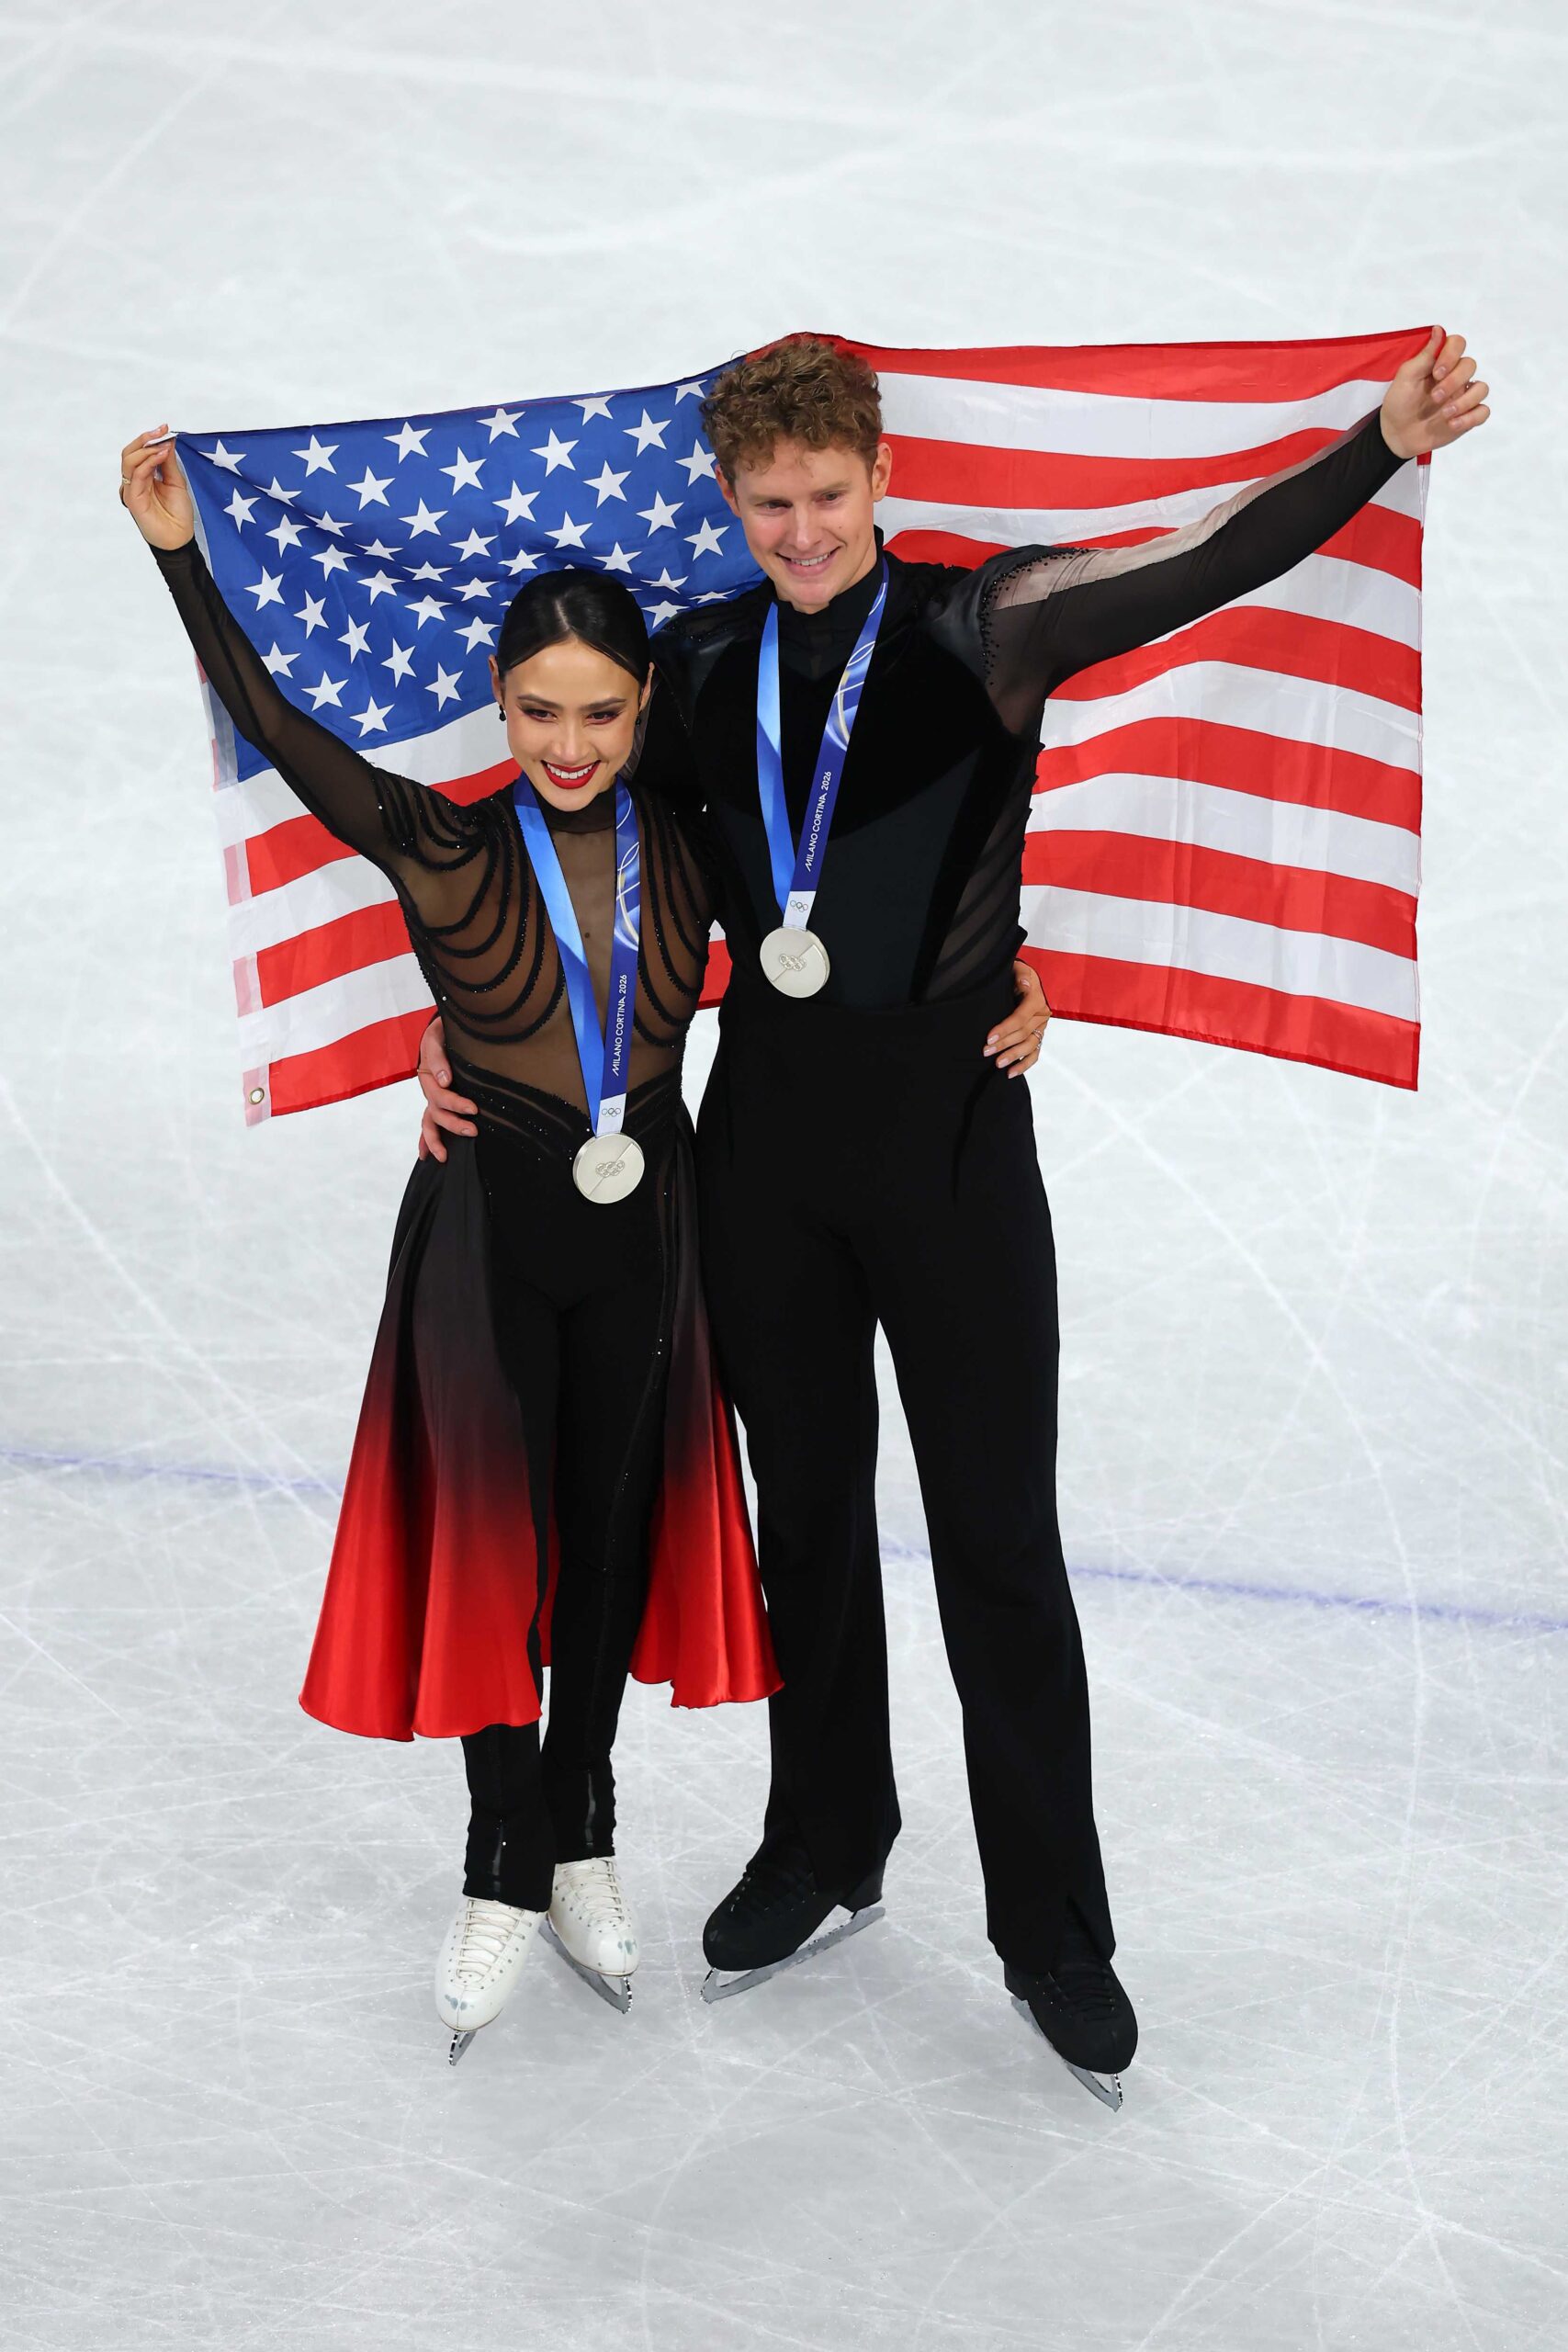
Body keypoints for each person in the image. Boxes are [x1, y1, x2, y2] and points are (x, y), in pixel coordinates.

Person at [419, 326, 1490, 2103]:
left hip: (954, 1154)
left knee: (999, 1541)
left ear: (880, 482)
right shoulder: (691, 669)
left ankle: (1056, 1932)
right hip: (764, 1156)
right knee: (809, 1522)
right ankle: (830, 1838)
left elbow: (1209, 562)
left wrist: (1377, 441)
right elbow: (563, 839)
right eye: (767, 505)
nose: (802, 532)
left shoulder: (983, 629)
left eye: (828, 497)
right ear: (732, 502)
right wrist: (459, 1041)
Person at [121, 430, 782, 2057]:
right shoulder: (443, 846)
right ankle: (502, 1857)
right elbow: (279, 720)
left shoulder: (695, 845)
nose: (569, 742)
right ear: (502, 704)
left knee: (609, 1534)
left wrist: (1017, 975)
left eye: (602, 711)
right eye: (539, 709)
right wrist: (180, 559)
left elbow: (888, 858)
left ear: (646, 709)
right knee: (500, 1544)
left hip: (651, 1227)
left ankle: (582, 1834)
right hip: (485, 1230)